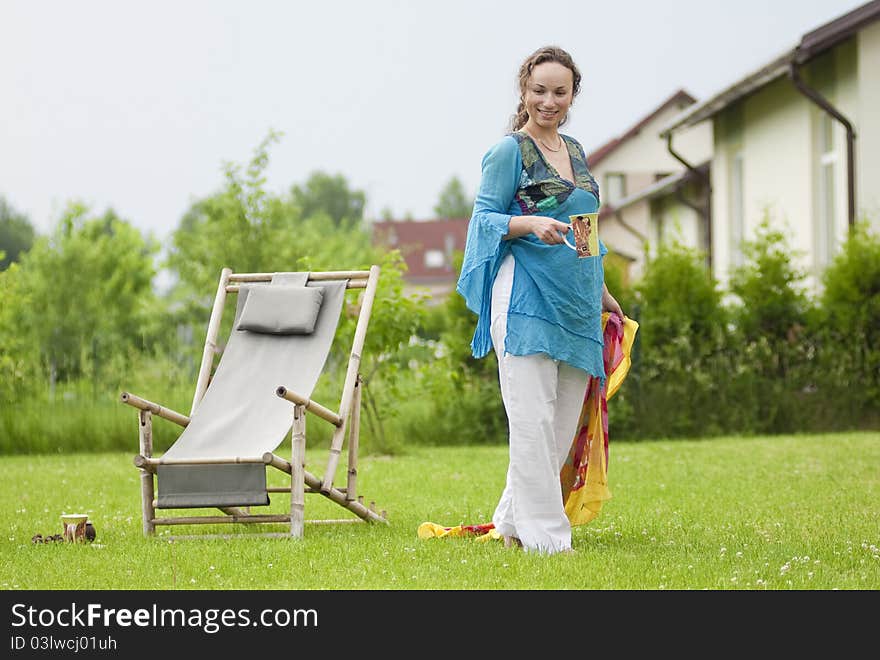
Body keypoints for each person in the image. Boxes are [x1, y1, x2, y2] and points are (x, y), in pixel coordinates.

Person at [456, 45, 625, 555]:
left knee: (559, 424)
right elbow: (482, 219)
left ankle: (510, 523)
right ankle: (548, 540)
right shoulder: (509, 151)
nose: (548, 101)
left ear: (573, 95)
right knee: (531, 419)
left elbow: (585, 228)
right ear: (523, 90)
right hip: (525, 294)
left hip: (575, 303)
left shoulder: (575, 151)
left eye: (559, 91)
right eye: (539, 90)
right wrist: (529, 222)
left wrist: (603, 292)